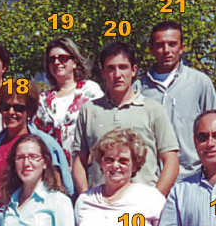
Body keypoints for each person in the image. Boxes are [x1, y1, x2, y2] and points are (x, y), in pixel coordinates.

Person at [71, 41, 179, 195]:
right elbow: (79, 160)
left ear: (133, 70)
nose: (117, 75)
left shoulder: (153, 109)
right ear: (103, 72)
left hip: (142, 201)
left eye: (123, 67)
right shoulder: (89, 110)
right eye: (111, 68)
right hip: (100, 202)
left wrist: (156, 198)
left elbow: (171, 161)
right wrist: (85, 197)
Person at [0, 83, 74, 226]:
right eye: (6, 107)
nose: (11, 112)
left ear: (29, 111)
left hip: (33, 221)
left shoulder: (45, 144)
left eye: (18, 108)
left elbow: (57, 188)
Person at [135, 21, 216, 180]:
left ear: (182, 48)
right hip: (151, 180)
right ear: (151, 50)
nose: (166, 50)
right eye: (160, 45)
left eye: (172, 44)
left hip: (192, 177)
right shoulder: (138, 89)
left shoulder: (200, 83)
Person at [34, 37, 104, 167]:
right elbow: (36, 137)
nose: (56, 62)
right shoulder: (43, 100)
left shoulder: (90, 90)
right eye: (52, 59)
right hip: (53, 170)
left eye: (63, 58)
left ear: (75, 62)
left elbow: (102, 127)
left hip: (87, 167)